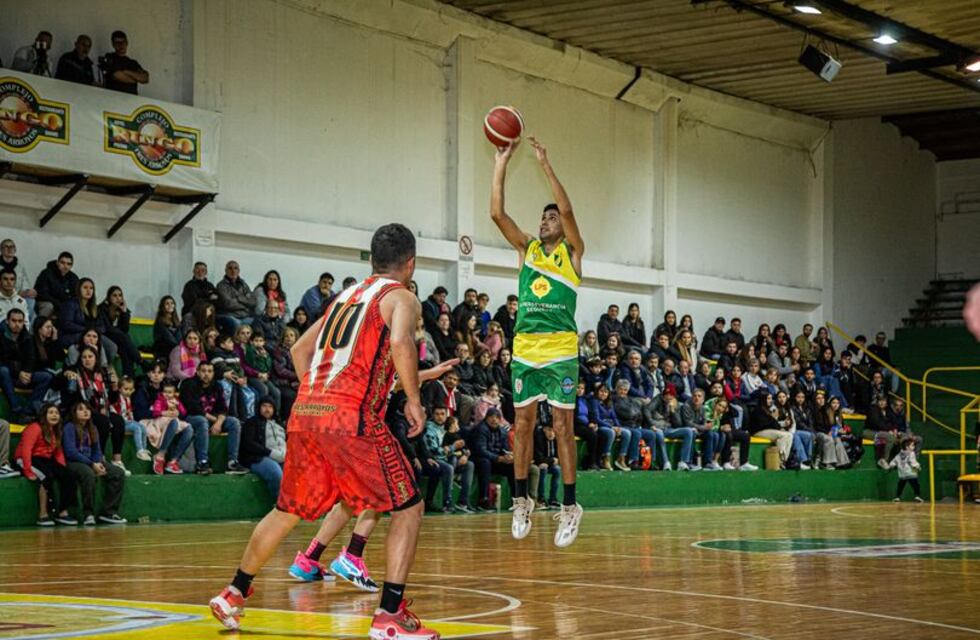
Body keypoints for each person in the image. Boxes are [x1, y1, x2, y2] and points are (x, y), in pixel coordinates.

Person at [209, 224, 443, 638]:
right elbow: (401, 344)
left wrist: (318, 399)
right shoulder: (400, 296)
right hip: (351, 416)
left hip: (307, 412)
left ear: (373, 260)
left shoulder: (344, 298)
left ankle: (234, 592)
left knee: (287, 511)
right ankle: (389, 615)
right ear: (410, 264)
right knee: (408, 507)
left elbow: (299, 349)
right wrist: (413, 399)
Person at [491, 136, 584, 546]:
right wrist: (501, 161)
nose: (546, 221)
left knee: (562, 427)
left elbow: (568, 209)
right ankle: (521, 500)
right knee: (523, 425)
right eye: (543, 217)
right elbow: (497, 214)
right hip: (526, 348)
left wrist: (545, 163)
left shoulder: (573, 253)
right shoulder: (528, 249)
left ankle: (570, 506)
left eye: (551, 217)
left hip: (561, 349)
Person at [62, 401, 127, 525]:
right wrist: (92, 464)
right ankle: (88, 514)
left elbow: (97, 449)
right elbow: (71, 452)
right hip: (73, 462)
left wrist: (98, 462)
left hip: (91, 461)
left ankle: (109, 512)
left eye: (87, 409)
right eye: (81, 409)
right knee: (88, 474)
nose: (85, 411)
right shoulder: (69, 427)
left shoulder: (92, 428)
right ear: (74, 413)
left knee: (117, 473)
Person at [13, 404, 77, 526]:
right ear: (44, 415)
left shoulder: (56, 431)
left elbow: (58, 452)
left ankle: (62, 512)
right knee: (46, 477)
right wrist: (27, 470)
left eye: (56, 413)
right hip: (25, 458)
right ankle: (43, 515)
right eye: (51, 412)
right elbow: (26, 449)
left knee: (69, 476)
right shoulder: (34, 428)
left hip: (45, 459)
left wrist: (62, 468)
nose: (54, 415)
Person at [180, 361, 247, 475]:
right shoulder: (189, 384)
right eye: (203, 371)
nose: (206, 374)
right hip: (191, 418)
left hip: (212, 420)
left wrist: (219, 423)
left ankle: (232, 462)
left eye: (209, 371)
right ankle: (202, 462)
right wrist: (216, 421)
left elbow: (223, 408)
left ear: (213, 373)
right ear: (197, 372)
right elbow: (194, 408)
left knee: (234, 422)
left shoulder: (217, 385)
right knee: (202, 421)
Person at [0, 308, 53, 421]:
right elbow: (2, 360)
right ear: (7, 321)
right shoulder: (1, 336)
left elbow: (31, 358)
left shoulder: (27, 337)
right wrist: (19, 372)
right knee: (3, 370)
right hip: (7, 375)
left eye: (20, 321)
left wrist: (26, 372)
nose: (17, 324)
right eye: (14, 321)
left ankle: (27, 411)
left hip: (22, 374)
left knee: (46, 377)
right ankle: (16, 409)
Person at [241, 397, 287, 501]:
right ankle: (278, 504)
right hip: (260, 457)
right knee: (276, 474)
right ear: (259, 408)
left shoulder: (280, 424)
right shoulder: (252, 422)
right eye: (264, 406)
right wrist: (269, 452)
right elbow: (249, 443)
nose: (267, 409)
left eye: (270, 407)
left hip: (282, 456)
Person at [148, 381, 194, 475]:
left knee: (189, 428)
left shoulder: (176, 401)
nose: (167, 394)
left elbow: (183, 413)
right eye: (165, 392)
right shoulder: (160, 400)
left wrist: (178, 406)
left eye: (170, 392)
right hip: (161, 421)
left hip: (174, 421)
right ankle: (160, 456)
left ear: (174, 393)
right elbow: (156, 412)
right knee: (174, 422)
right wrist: (166, 412)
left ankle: (173, 461)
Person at [98, 286, 140, 377]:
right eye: (114, 295)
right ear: (109, 297)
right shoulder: (101, 309)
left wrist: (124, 312)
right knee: (124, 337)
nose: (118, 298)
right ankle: (140, 361)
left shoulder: (123, 310)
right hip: (105, 338)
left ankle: (128, 378)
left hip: (119, 340)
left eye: (120, 295)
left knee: (125, 349)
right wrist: (119, 332)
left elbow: (125, 329)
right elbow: (107, 329)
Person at [34, 251, 79, 319]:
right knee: (48, 306)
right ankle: (41, 324)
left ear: (71, 266)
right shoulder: (46, 273)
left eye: (68, 264)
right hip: (45, 302)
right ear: (57, 263)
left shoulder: (73, 278)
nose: (65, 266)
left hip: (63, 305)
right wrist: (58, 304)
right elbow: (42, 293)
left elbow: (75, 296)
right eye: (62, 263)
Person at [215, 261, 256, 334]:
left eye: (235, 268)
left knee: (257, 322)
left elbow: (253, 302)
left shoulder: (243, 284)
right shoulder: (221, 285)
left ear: (239, 271)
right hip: (231, 316)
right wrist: (245, 304)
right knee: (236, 324)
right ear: (226, 270)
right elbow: (228, 304)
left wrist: (239, 299)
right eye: (230, 268)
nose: (233, 271)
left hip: (245, 316)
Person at [533, 424, 561, 508]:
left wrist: (551, 461)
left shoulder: (556, 439)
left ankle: (553, 499)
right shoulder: (539, 439)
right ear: (544, 430)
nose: (551, 433)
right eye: (549, 430)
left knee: (557, 470)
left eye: (553, 431)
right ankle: (541, 498)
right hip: (536, 463)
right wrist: (552, 460)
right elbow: (538, 458)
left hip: (548, 464)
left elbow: (558, 457)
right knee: (543, 469)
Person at [889, 438, 923, 503]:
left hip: (902, 474)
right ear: (907, 447)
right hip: (911, 473)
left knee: (900, 486)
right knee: (916, 485)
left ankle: (897, 497)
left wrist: (891, 465)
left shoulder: (899, 454)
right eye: (912, 445)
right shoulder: (911, 453)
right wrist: (918, 467)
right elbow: (913, 462)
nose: (914, 447)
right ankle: (917, 496)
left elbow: (893, 462)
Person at [152, 295, 183, 360]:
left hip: (174, 349)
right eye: (167, 304)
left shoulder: (176, 321)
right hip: (163, 350)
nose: (170, 305)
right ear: (163, 306)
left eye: (172, 303)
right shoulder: (160, 321)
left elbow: (180, 338)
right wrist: (179, 349)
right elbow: (168, 338)